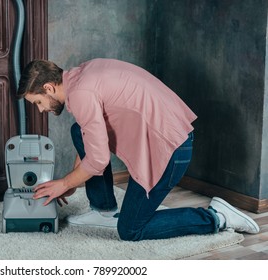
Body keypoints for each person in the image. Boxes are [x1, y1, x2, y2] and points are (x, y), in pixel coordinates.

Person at [17, 58, 260, 241]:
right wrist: (71, 182)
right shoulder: (81, 75)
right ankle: (103, 210)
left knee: (131, 229)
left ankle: (216, 217)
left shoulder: (81, 94)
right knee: (76, 129)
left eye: (38, 103)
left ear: (48, 88)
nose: (40, 110)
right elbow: (87, 136)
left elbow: (99, 159)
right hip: (170, 135)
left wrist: (65, 183)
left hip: (170, 150)